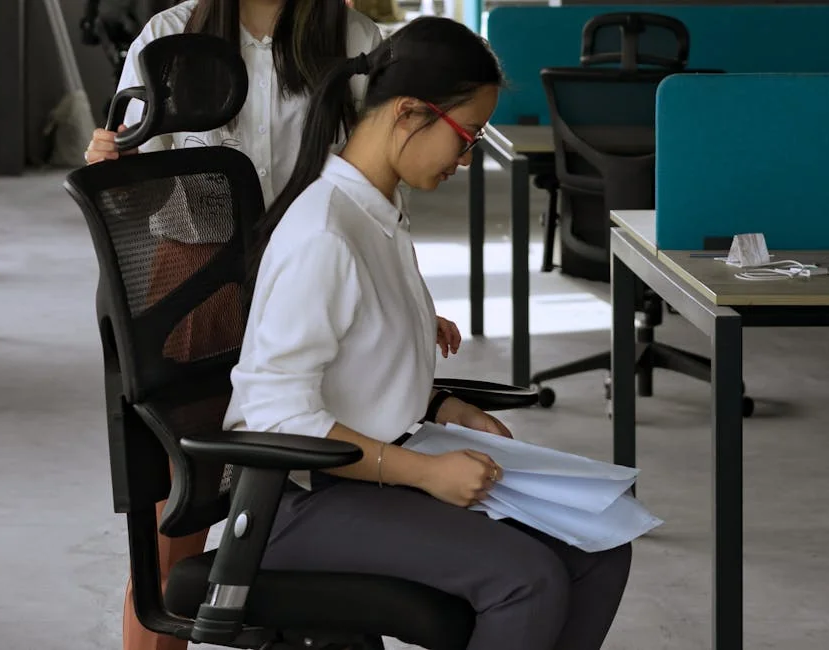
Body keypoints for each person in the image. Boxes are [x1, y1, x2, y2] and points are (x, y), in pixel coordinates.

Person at [224, 16, 633, 650]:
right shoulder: (325, 234)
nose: (466, 159)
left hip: (360, 474)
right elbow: (274, 419)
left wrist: (444, 403)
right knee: (525, 579)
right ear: (410, 114)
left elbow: (357, 363)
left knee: (601, 548)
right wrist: (422, 472)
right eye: (466, 137)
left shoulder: (378, 212)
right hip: (294, 501)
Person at [84, 4, 457, 650]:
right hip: (193, 293)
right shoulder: (171, 38)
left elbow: (378, 183)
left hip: (312, 289)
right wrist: (108, 163)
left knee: (326, 508)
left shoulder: (353, 40)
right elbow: (134, 198)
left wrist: (405, 294)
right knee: (179, 533)